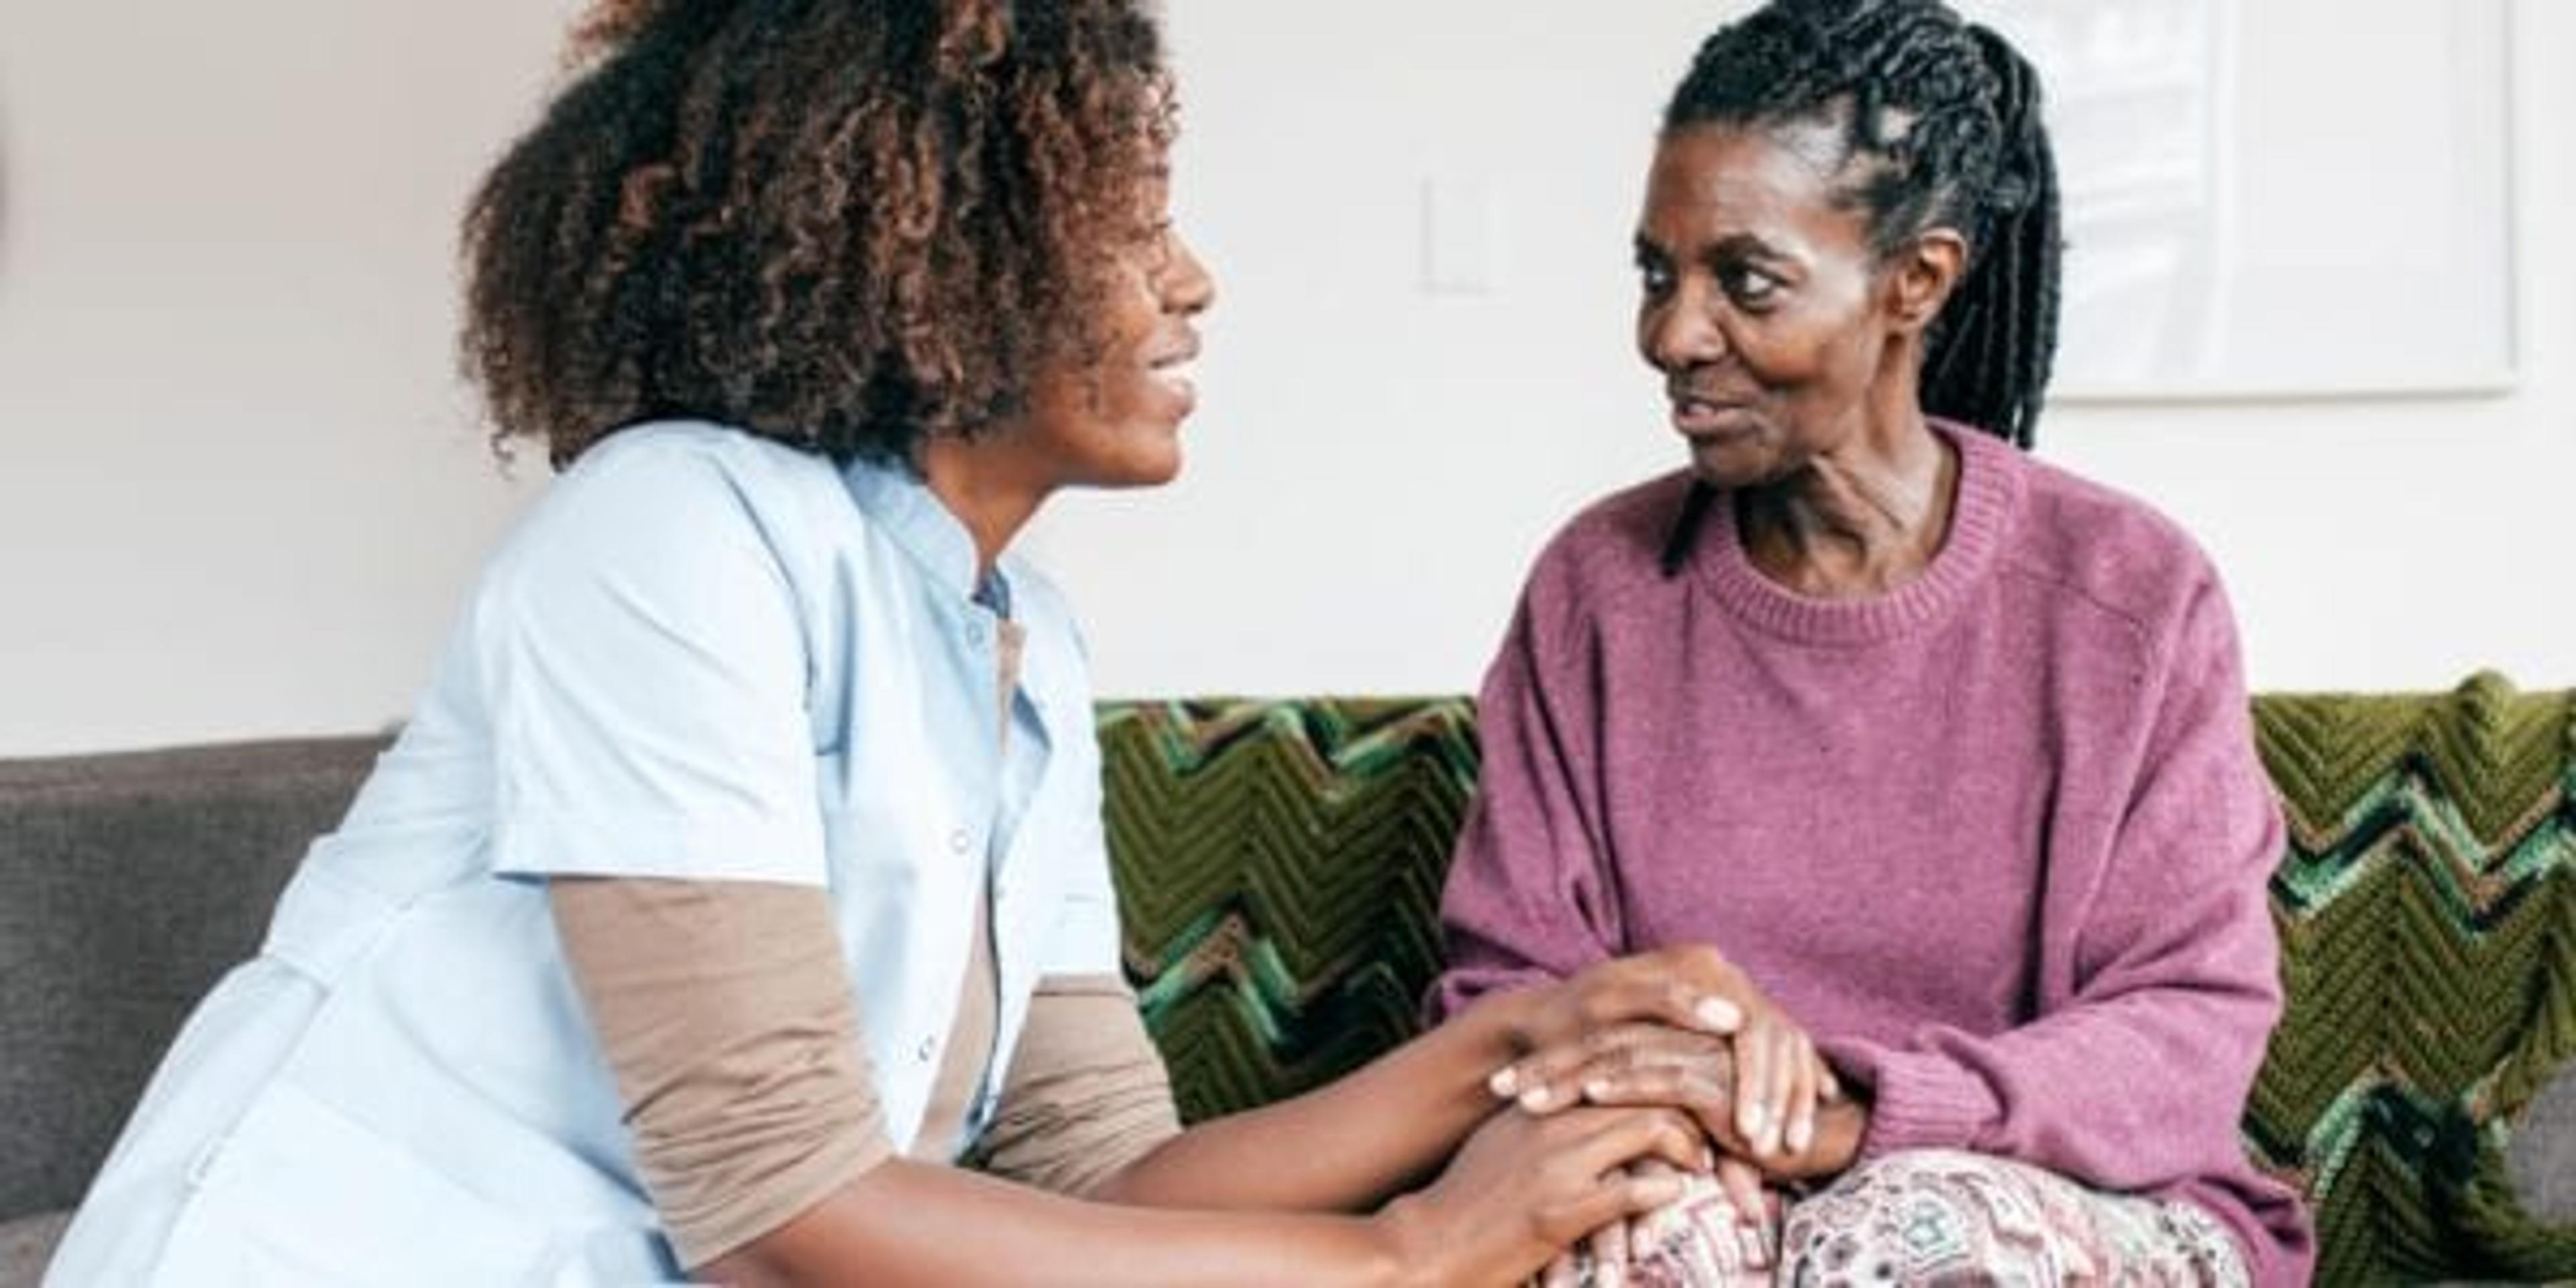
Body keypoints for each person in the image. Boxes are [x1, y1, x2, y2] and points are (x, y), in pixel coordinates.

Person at [44, 3, 1739, 1284]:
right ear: (946, 256)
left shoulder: (1027, 649)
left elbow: (1096, 1176)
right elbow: (781, 1207)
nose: (1196, 280)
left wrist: (1519, 1049)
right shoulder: (671, 533)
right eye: (1134, 223)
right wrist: (1404, 1254)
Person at [1429, 1, 2315, 1283]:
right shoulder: (1597, 592)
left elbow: (2188, 1028)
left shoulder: (2131, 596)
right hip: (1711, 1174)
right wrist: (1703, 1108)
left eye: (1745, 279)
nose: (1672, 335)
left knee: (1898, 1233)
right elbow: (1504, 1003)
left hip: (2085, 1201)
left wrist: (1863, 1115)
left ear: (1917, 281)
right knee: (1642, 1227)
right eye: (1655, 273)